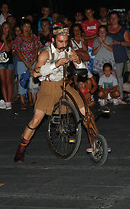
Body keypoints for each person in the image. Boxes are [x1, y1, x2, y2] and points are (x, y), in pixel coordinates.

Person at [13, 22, 87, 163]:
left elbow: (83, 71)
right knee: (36, 120)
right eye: (60, 41)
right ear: (53, 40)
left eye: (66, 41)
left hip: (64, 86)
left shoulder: (69, 50)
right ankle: (21, 149)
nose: (64, 44)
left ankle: (96, 142)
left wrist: (79, 62)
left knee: (85, 112)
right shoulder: (45, 52)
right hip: (47, 88)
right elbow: (35, 73)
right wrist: (56, 64)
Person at [12, 19, 42, 109]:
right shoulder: (19, 38)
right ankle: (22, 101)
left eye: (29, 27)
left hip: (33, 61)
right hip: (22, 62)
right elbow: (17, 50)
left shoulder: (34, 37)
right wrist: (25, 62)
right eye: (25, 26)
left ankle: (34, 101)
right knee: (22, 80)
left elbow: (37, 48)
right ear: (22, 27)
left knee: (34, 80)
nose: (27, 29)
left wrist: (33, 60)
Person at [107, 11, 130, 98]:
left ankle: (119, 95)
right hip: (108, 55)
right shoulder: (106, 29)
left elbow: (129, 43)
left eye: (115, 17)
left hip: (119, 54)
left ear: (118, 19)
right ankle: (109, 96)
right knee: (108, 76)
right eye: (111, 18)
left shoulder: (123, 29)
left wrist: (119, 42)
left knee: (118, 76)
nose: (113, 19)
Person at [0, 21, 14, 110]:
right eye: (4, 27)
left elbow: (7, 49)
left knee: (9, 81)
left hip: (9, 62)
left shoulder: (11, 38)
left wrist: (5, 40)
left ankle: (9, 101)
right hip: (0, 62)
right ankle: (5, 100)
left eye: (7, 28)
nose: (5, 29)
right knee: (2, 81)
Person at [81, 8, 101, 72]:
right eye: (86, 13)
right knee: (88, 68)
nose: (88, 14)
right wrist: (92, 37)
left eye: (89, 12)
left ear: (93, 12)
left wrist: (87, 38)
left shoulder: (98, 23)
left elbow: (98, 36)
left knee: (97, 68)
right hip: (86, 48)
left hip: (96, 47)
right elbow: (82, 37)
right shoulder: (83, 24)